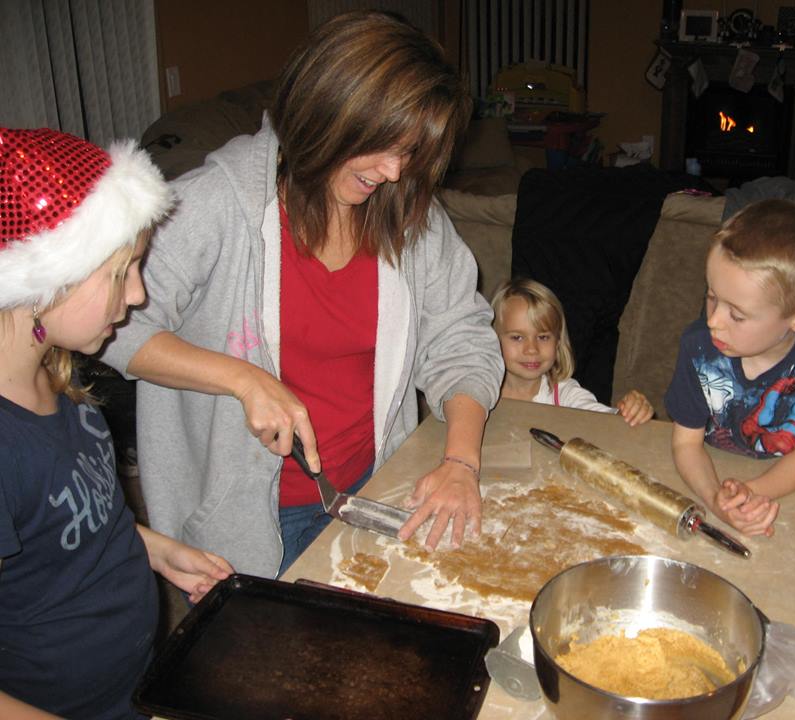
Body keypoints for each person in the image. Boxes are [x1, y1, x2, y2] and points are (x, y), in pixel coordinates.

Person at [100, 11, 504, 578]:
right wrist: (243, 378)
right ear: (330, 111)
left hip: (379, 488)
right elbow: (114, 327)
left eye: (411, 154)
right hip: (245, 517)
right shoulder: (215, 204)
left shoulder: (413, 217)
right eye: (384, 146)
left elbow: (461, 339)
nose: (393, 172)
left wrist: (460, 460)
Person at [0, 127, 234, 719]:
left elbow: (66, 532)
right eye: (121, 271)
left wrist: (152, 548)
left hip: (129, 689)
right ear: (43, 278)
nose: (137, 294)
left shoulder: (62, 382)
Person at [665, 199, 795, 538]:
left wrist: (750, 493)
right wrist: (716, 499)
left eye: (737, 315)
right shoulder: (698, 347)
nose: (713, 321)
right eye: (711, 296)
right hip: (708, 468)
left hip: (790, 486)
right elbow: (685, 444)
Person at [491, 278, 654, 425]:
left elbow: (605, 422)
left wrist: (631, 411)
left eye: (543, 337)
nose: (532, 349)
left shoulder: (565, 394)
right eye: (517, 337)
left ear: (558, 342)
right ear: (492, 338)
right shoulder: (479, 388)